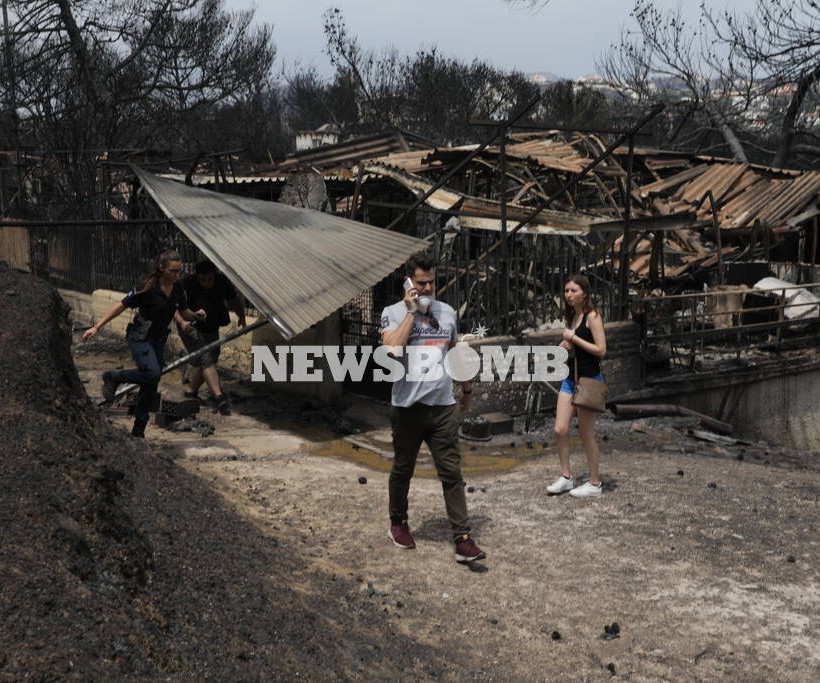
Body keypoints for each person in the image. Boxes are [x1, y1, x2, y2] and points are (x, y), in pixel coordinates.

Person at [380, 252, 486, 563]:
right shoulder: (393, 312)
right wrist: (412, 312)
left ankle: (463, 538)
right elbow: (392, 350)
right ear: (409, 282)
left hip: (442, 406)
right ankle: (397, 523)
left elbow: (453, 351)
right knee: (403, 469)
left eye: (431, 282)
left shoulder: (448, 312)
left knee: (452, 472)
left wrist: (466, 388)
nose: (427, 288)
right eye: (421, 283)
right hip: (407, 407)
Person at [82, 250, 206, 437]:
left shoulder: (178, 287)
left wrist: (196, 315)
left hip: (157, 340)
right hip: (140, 336)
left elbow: (184, 310)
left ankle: (138, 432)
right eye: (173, 271)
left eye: (179, 271)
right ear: (162, 268)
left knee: (151, 383)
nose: (177, 275)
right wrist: (96, 327)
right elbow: (121, 305)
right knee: (152, 372)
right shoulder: (147, 286)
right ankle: (113, 377)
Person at [546, 274, 608, 498]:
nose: (568, 295)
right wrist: (568, 343)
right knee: (560, 429)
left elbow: (601, 349)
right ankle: (566, 477)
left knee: (585, 433)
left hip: (589, 381)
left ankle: (594, 483)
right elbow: (577, 343)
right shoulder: (573, 315)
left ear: (584, 293)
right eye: (566, 291)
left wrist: (574, 337)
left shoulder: (593, 316)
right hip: (570, 379)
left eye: (572, 291)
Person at [174, 259, 246, 415]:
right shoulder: (187, 284)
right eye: (203, 280)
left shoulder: (222, 282)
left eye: (210, 279)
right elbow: (175, 307)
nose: (207, 283)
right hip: (190, 326)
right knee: (205, 358)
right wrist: (182, 323)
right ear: (197, 276)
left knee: (210, 358)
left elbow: (234, 301)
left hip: (211, 326)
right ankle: (219, 398)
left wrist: (242, 317)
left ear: (214, 275)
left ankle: (192, 392)